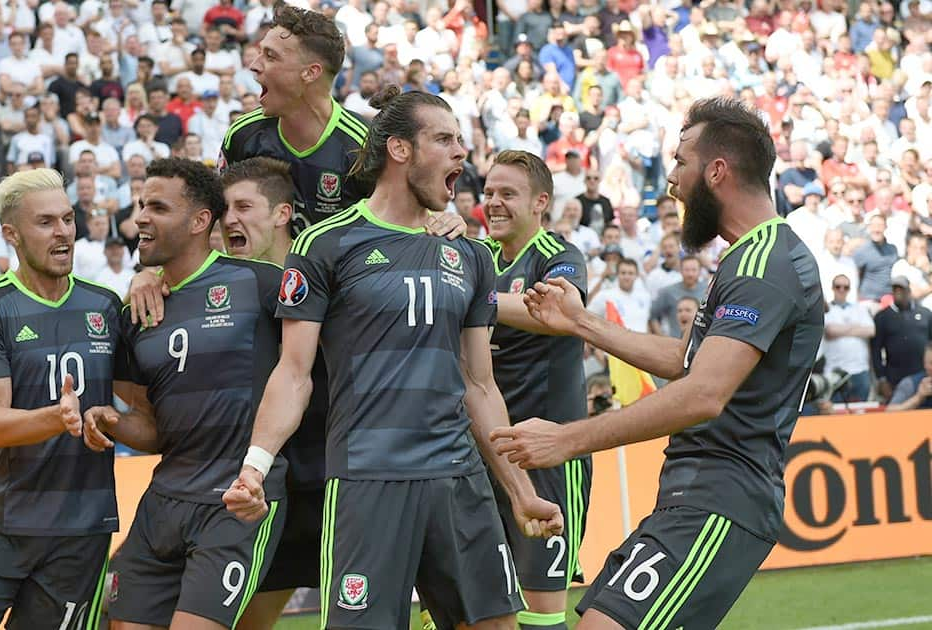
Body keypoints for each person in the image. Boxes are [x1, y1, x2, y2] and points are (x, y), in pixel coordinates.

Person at [222, 88, 563, 629]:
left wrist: (520, 492)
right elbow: (294, 373)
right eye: (444, 139)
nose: (460, 153)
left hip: (459, 479)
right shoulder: (324, 245)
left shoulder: (469, 254)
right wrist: (254, 467)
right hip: (367, 481)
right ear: (400, 150)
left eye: (460, 140)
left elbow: (480, 386)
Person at [491, 97, 824, 630]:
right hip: (693, 496)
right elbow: (684, 360)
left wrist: (564, 441)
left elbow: (703, 393)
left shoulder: (767, 264)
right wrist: (581, 323)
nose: (669, 179)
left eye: (679, 162)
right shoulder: (744, 257)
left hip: (721, 502)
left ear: (717, 171)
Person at [82, 158, 289, 630]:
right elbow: (151, 427)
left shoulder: (259, 284)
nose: (140, 218)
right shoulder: (134, 313)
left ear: (200, 221)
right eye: (140, 205)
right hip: (165, 499)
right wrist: (110, 420)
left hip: (238, 498)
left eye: (157, 206)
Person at [0, 169, 123, 628]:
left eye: (68, 218)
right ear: (12, 234)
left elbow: (142, 407)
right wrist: (59, 418)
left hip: (82, 529)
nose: (63, 232)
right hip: (6, 522)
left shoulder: (106, 305)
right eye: (46, 222)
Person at [483, 149, 592, 630]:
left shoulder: (560, 257)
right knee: (473, 601)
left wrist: (475, 299)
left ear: (540, 202)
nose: (494, 203)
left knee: (540, 611)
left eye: (508, 193)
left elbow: (559, 315)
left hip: (549, 454)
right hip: (487, 453)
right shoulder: (479, 257)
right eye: (488, 193)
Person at [218, 4, 372, 235]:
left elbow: (404, 227)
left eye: (270, 56)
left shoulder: (364, 145)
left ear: (310, 73)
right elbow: (216, 217)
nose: (254, 65)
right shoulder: (243, 134)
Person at [871, 276, 932, 402]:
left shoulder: (926, 313)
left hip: (922, 375)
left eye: (901, 289)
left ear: (908, 291)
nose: (898, 292)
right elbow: (875, 350)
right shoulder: (883, 316)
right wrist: (881, 379)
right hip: (894, 377)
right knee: (896, 412)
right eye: (895, 289)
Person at [823, 274, 875, 403]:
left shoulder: (860, 309)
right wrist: (856, 327)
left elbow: (871, 330)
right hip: (835, 370)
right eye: (838, 286)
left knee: (859, 413)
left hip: (860, 370)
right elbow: (830, 331)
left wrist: (842, 329)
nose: (841, 290)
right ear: (833, 288)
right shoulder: (826, 310)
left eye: (845, 287)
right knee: (834, 413)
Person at [886, 342, 932, 411]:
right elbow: (889, 412)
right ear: (925, 364)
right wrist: (919, 397)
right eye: (931, 363)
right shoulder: (910, 383)